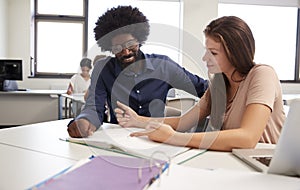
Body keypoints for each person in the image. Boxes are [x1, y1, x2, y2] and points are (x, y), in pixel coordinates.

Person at [114, 16, 285, 151]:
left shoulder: (262, 75)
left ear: (235, 53)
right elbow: (184, 121)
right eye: (206, 51)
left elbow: (247, 138)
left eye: (213, 52)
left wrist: (174, 138)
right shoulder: (218, 84)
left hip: (269, 168)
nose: (205, 58)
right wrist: (138, 120)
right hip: (236, 162)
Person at [67, 5, 208, 138]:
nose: (126, 52)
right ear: (110, 48)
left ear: (140, 40)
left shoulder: (164, 66)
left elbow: (203, 88)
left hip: (159, 138)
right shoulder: (103, 69)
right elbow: (94, 106)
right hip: (121, 139)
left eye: (130, 44)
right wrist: (84, 120)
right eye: (118, 48)